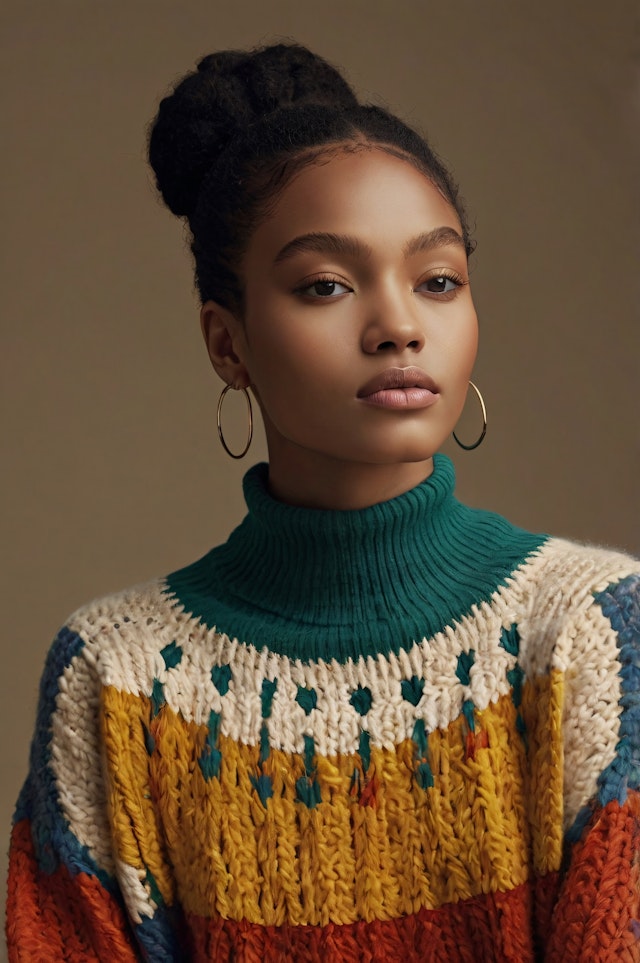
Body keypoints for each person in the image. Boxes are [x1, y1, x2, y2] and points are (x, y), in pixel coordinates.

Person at [5, 42, 639, 963]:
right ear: (228, 345)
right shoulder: (118, 682)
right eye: (326, 286)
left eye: (438, 280)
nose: (398, 326)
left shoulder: (594, 632)